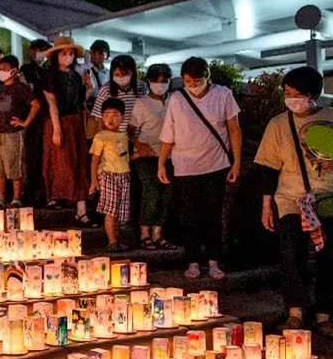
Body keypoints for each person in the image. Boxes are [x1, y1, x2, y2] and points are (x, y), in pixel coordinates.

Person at [254, 66, 333, 338]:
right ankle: (295, 312)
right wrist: (266, 205)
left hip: (330, 198)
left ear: (312, 94)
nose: (290, 99)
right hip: (291, 199)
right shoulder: (278, 124)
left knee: (332, 258)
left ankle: (324, 316)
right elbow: (268, 168)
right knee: (292, 255)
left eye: (296, 94)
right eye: (287, 93)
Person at [158, 57, 242, 280]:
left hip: (216, 163)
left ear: (207, 77)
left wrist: (237, 163)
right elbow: (169, 134)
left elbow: (234, 130)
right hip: (185, 165)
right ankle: (193, 260)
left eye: (197, 81)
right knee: (190, 215)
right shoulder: (177, 99)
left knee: (213, 214)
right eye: (188, 81)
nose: (193, 86)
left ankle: (214, 261)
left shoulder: (223, 94)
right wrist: (161, 163)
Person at [40, 37, 95, 226]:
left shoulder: (75, 75)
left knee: (79, 163)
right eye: (64, 53)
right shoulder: (50, 75)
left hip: (75, 121)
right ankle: (55, 196)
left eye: (71, 53)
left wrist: (89, 87)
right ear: (56, 56)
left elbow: (79, 102)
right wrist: (56, 129)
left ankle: (81, 209)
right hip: (58, 121)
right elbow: (52, 103)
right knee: (60, 162)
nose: (68, 57)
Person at [129, 63, 175, 250]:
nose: (161, 84)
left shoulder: (174, 101)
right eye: (157, 81)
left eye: (165, 81)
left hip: (171, 155)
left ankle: (158, 233)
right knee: (151, 192)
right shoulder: (142, 103)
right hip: (147, 155)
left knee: (166, 195)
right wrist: (139, 144)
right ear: (149, 81)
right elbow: (131, 130)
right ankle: (144, 233)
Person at [0, 56, 40, 208]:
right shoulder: (0, 88)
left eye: (4, 69)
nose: (1, 72)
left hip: (13, 132)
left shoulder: (20, 87)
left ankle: (16, 197)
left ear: (14, 70)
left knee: (14, 166)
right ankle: (1, 198)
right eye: (0, 68)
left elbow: (35, 104)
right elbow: (0, 106)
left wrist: (25, 122)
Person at [90, 98, 131, 252]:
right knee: (110, 210)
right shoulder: (101, 136)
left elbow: (124, 156)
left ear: (122, 117)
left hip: (124, 175)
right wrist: (94, 180)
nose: (110, 118)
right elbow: (94, 160)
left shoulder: (123, 136)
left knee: (121, 210)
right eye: (106, 115)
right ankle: (112, 240)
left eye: (114, 115)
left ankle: (118, 238)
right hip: (108, 175)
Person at [19, 38, 52, 206]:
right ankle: (29, 192)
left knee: (43, 158)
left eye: (44, 50)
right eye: (39, 49)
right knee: (31, 157)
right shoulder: (27, 69)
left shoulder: (48, 69)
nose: (41, 53)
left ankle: (42, 192)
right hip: (31, 118)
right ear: (31, 51)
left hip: (46, 118)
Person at [91, 54, 146, 131]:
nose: (121, 77)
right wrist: (101, 138)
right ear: (112, 74)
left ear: (133, 73)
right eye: (117, 74)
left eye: (125, 74)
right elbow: (99, 117)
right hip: (113, 137)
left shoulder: (142, 87)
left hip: (137, 136)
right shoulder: (106, 89)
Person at [78, 39, 110, 109]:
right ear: (90, 53)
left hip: (103, 109)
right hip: (85, 107)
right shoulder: (81, 69)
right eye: (94, 52)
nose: (96, 56)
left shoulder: (109, 74)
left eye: (101, 53)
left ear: (107, 56)